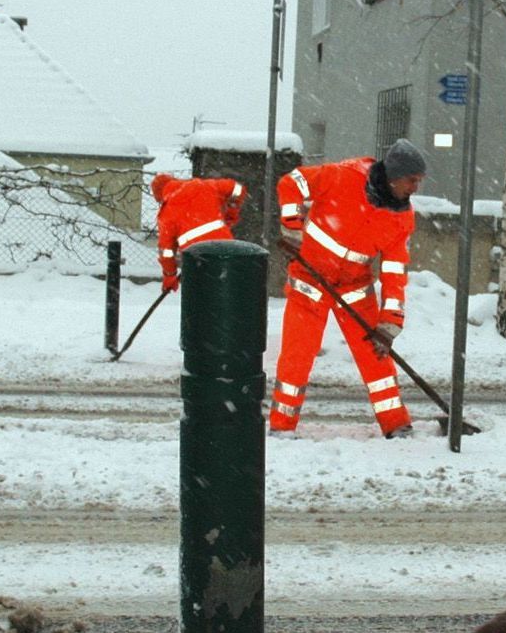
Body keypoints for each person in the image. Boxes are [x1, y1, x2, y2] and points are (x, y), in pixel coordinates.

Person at [271, 138, 425, 439]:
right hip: (309, 281)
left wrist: (390, 322)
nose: (416, 188)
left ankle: (396, 424)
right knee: (296, 356)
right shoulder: (344, 176)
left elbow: (394, 271)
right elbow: (293, 182)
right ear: (394, 176)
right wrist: (291, 223)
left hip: (355, 289)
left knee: (376, 357)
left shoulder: (402, 218)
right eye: (412, 180)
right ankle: (282, 426)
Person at [151, 173, 245, 292]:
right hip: (227, 248)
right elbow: (237, 188)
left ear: (160, 195)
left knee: (203, 297)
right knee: (228, 291)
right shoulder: (204, 186)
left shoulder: (166, 213)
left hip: (197, 259)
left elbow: (167, 251)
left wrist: (169, 275)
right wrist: (232, 209)